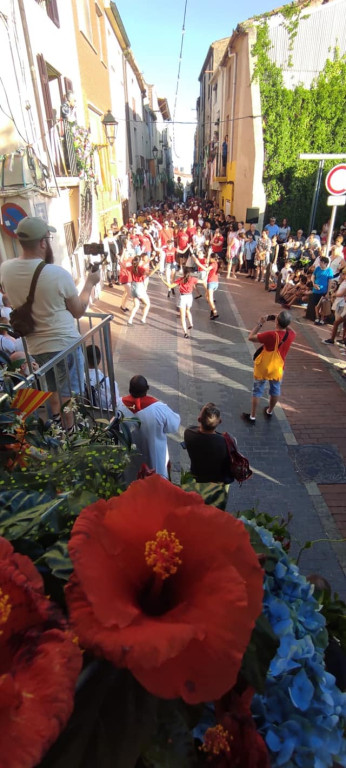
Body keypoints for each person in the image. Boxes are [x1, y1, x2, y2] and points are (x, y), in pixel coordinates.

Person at [1, 216, 99, 432]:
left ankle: (58, 423)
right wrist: (90, 283)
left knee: (52, 388)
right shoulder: (56, 274)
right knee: (68, 393)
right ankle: (70, 431)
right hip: (65, 345)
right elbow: (78, 311)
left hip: (36, 347)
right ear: (43, 242)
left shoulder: (6, 269)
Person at [118, 374, 180, 478]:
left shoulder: (119, 405)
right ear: (147, 389)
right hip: (155, 460)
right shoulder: (159, 409)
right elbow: (174, 426)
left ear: (129, 389)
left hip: (130, 459)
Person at [242, 310, 296, 424]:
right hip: (278, 368)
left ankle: (252, 416)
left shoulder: (271, 335)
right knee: (275, 390)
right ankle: (270, 411)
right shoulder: (291, 335)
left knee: (257, 391)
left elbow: (251, 337)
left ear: (276, 322)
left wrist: (260, 323)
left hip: (264, 367)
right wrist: (281, 320)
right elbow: (289, 328)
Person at [184, 402, 233, 484]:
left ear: (199, 419)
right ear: (220, 421)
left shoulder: (188, 433)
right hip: (218, 482)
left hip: (197, 477)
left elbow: (194, 428)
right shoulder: (226, 442)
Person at [161, 266, 199, 338]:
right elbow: (202, 281)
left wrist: (162, 279)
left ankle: (185, 333)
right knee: (188, 310)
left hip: (183, 297)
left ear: (183, 273)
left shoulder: (180, 280)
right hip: (190, 297)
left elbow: (170, 285)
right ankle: (191, 324)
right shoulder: (193, 279)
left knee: (182, 316)